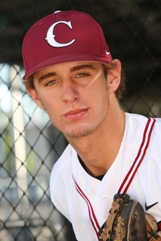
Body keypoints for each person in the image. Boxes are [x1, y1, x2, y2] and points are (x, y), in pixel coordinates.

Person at [22, 10, 161, 241]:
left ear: (112, 76)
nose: (69, 94)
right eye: (52, 81)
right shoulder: (63, 181)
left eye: (82, 74)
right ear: (36, 96)